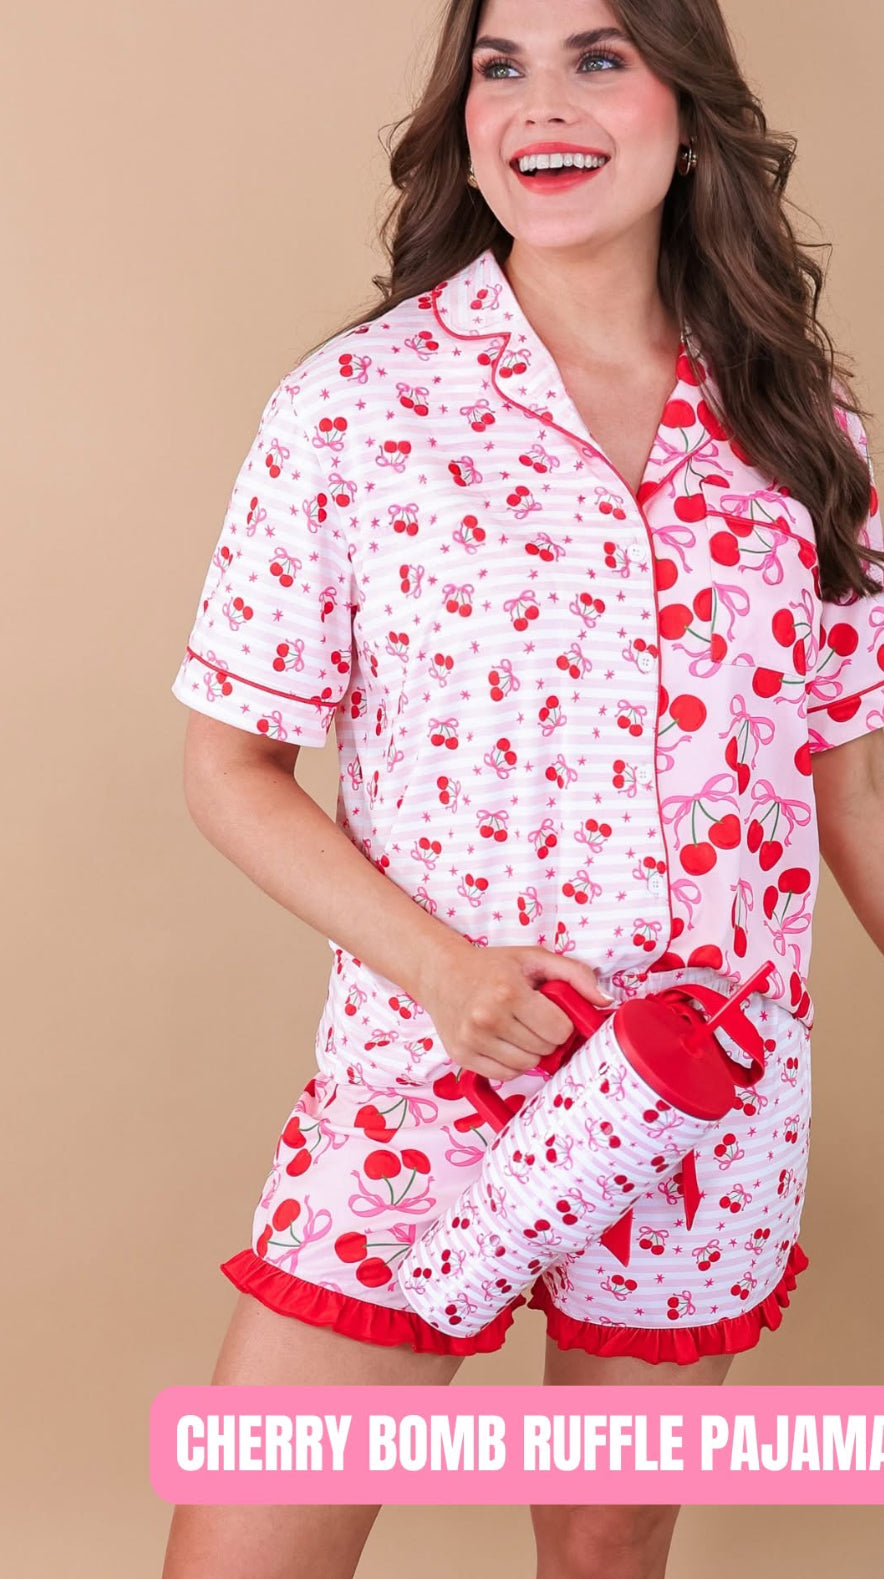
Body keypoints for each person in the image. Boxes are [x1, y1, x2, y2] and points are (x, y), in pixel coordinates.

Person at [161, 1, 884, 1575]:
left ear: (690, 109)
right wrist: (446, 975)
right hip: (431, 1074)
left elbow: (858, 793)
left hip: (699, 1093)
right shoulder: (355, 410)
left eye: (599, 57)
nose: (540, 104)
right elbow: (229, 766)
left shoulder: (801, 432)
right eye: (502, 67)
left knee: (610, 1545)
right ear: (467, 119)